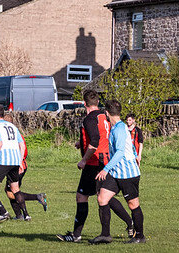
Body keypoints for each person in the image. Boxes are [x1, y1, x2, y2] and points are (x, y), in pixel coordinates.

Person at [57, 90, 133, 243]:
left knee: (84, 197)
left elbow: (96, 140)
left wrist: (84, 159)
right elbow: (104, 135)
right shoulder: (105, 116)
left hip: (94, 162)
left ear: (84, 103)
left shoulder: (90, 119)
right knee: (104, 197)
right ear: (97, 103)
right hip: (105, 160)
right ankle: (130, 223)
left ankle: (76, 235)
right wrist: (82, 143)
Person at [93, 100, 146, 244]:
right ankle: (105, 235)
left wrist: (105, 169)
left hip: (128, 174)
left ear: (106, 113)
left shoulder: (120, 129)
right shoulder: (116, 127)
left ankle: (140, 236)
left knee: (133, 204)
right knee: (102, 198)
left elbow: (120, 152)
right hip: (117, 173)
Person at [0, 105, 27, 224]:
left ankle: (3, 212)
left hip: (4, 161)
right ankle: (25, 216)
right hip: (15, 162)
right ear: (3, 114)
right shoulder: (12, 126)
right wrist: (20, 161)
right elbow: (22, 145)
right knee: (15, 189)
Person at [3, 121, 47, 221]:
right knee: (10, 191)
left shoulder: (13, 137)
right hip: (19, 166)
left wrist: (19, 163)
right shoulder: (16, 134)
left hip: (17, 167)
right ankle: (19, 215)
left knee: (13, 192)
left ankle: (35, 200)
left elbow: (22, 150)